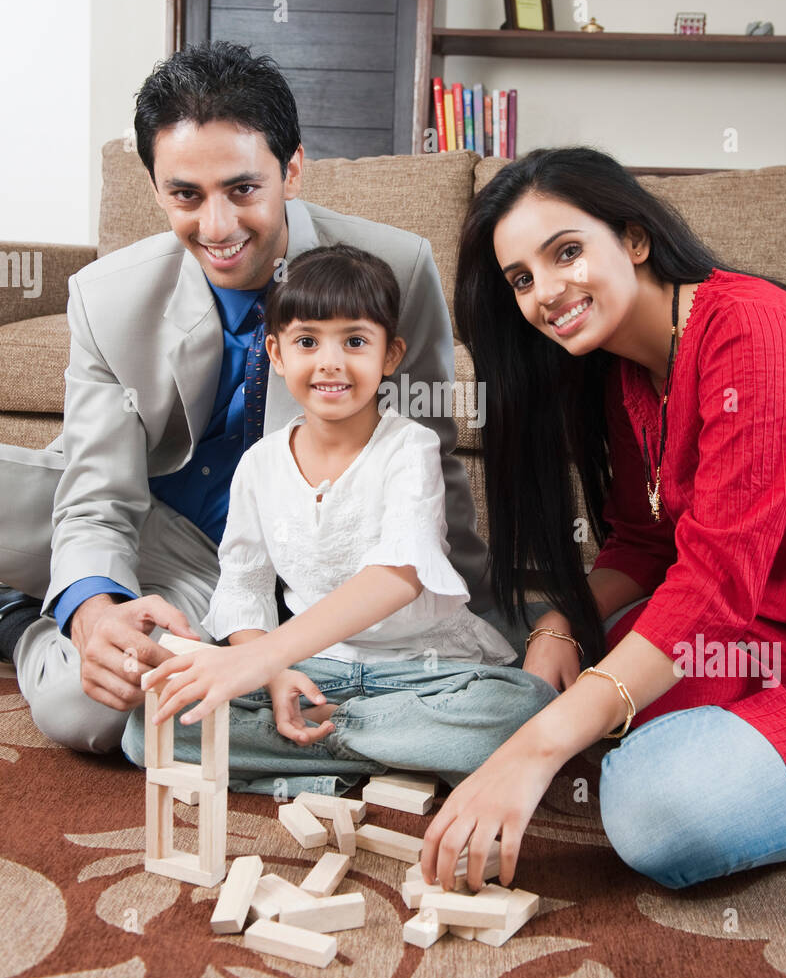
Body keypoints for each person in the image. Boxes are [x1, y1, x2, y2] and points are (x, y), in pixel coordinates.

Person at [0, 42, 494, 755]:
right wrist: (91, 611)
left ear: (291, 170)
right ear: (155, 188)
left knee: (92, 713)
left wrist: (459, 610)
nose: (218, 227)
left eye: (242, 189)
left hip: (246, 565)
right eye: (186, 195)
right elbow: (97, 498)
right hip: (149, 515)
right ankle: (54, 595)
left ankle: (17, 619)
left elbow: (427, 458)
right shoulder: (105, 297)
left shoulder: (397, 268)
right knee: (87, 592)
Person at [420, 146, 786, 894]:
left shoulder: (753, 333)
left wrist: (534, 751)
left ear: (633, 238)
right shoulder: (625, 366)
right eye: (521, 280)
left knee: (657, 812)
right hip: (766, 634)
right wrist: (559, 622)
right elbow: (647, 539)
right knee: (567, 687)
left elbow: (711, 587)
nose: (546, 293)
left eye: (566, 252)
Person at [123, 243, 556, 794]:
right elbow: (245, 585)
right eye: (307, 342)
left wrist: (264, 662)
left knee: (522, 706)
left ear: (390, 355)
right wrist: (272, 672)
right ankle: (382, 755)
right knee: (146, 730)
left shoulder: (409, 448)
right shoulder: (259, 463)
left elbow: (398, 576)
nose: (330, 362)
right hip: (313, 668)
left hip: (421, 671)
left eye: (355, 341)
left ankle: (327, 750)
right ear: (277, 355)